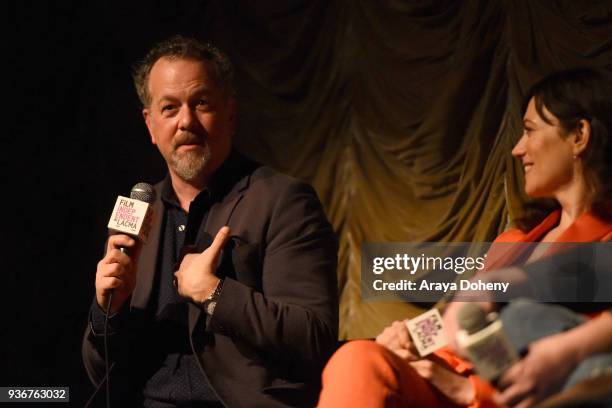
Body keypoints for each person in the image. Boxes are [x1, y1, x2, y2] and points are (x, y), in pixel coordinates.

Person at [317, 68, 612, 408]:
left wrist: (473, 391)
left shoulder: (604, 245)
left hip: (525, 395)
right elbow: (458, 320)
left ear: (579, 135)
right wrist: (409, 338)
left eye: (530, 130)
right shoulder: (512, 243)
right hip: (460, 384)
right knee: (361, 358)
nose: (517, 149)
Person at [82, 35, 339, 407]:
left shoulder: (283, 201)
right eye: (169, 109)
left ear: (230, 114)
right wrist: (110, 310)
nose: (186, 121)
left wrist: (214, 293)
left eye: (201, 103)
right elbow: (99, 373)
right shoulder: (138, 213)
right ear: (150, 126)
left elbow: (314, 338)